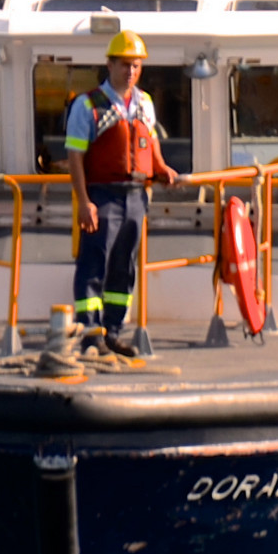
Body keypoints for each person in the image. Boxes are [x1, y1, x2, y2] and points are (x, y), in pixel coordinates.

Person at [66, 30, 180, 354]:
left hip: (136, 196)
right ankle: (90, 333)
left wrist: (161, 167)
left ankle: (112, 331)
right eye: (125, 65)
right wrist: (83, 201)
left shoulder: (145, 103)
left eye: (136, 65)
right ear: (110, 65)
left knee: (124, 265)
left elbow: (150, 142)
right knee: (94, 263)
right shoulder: (86, 106)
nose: (130, 71)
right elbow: (75, 156)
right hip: (102, 194)